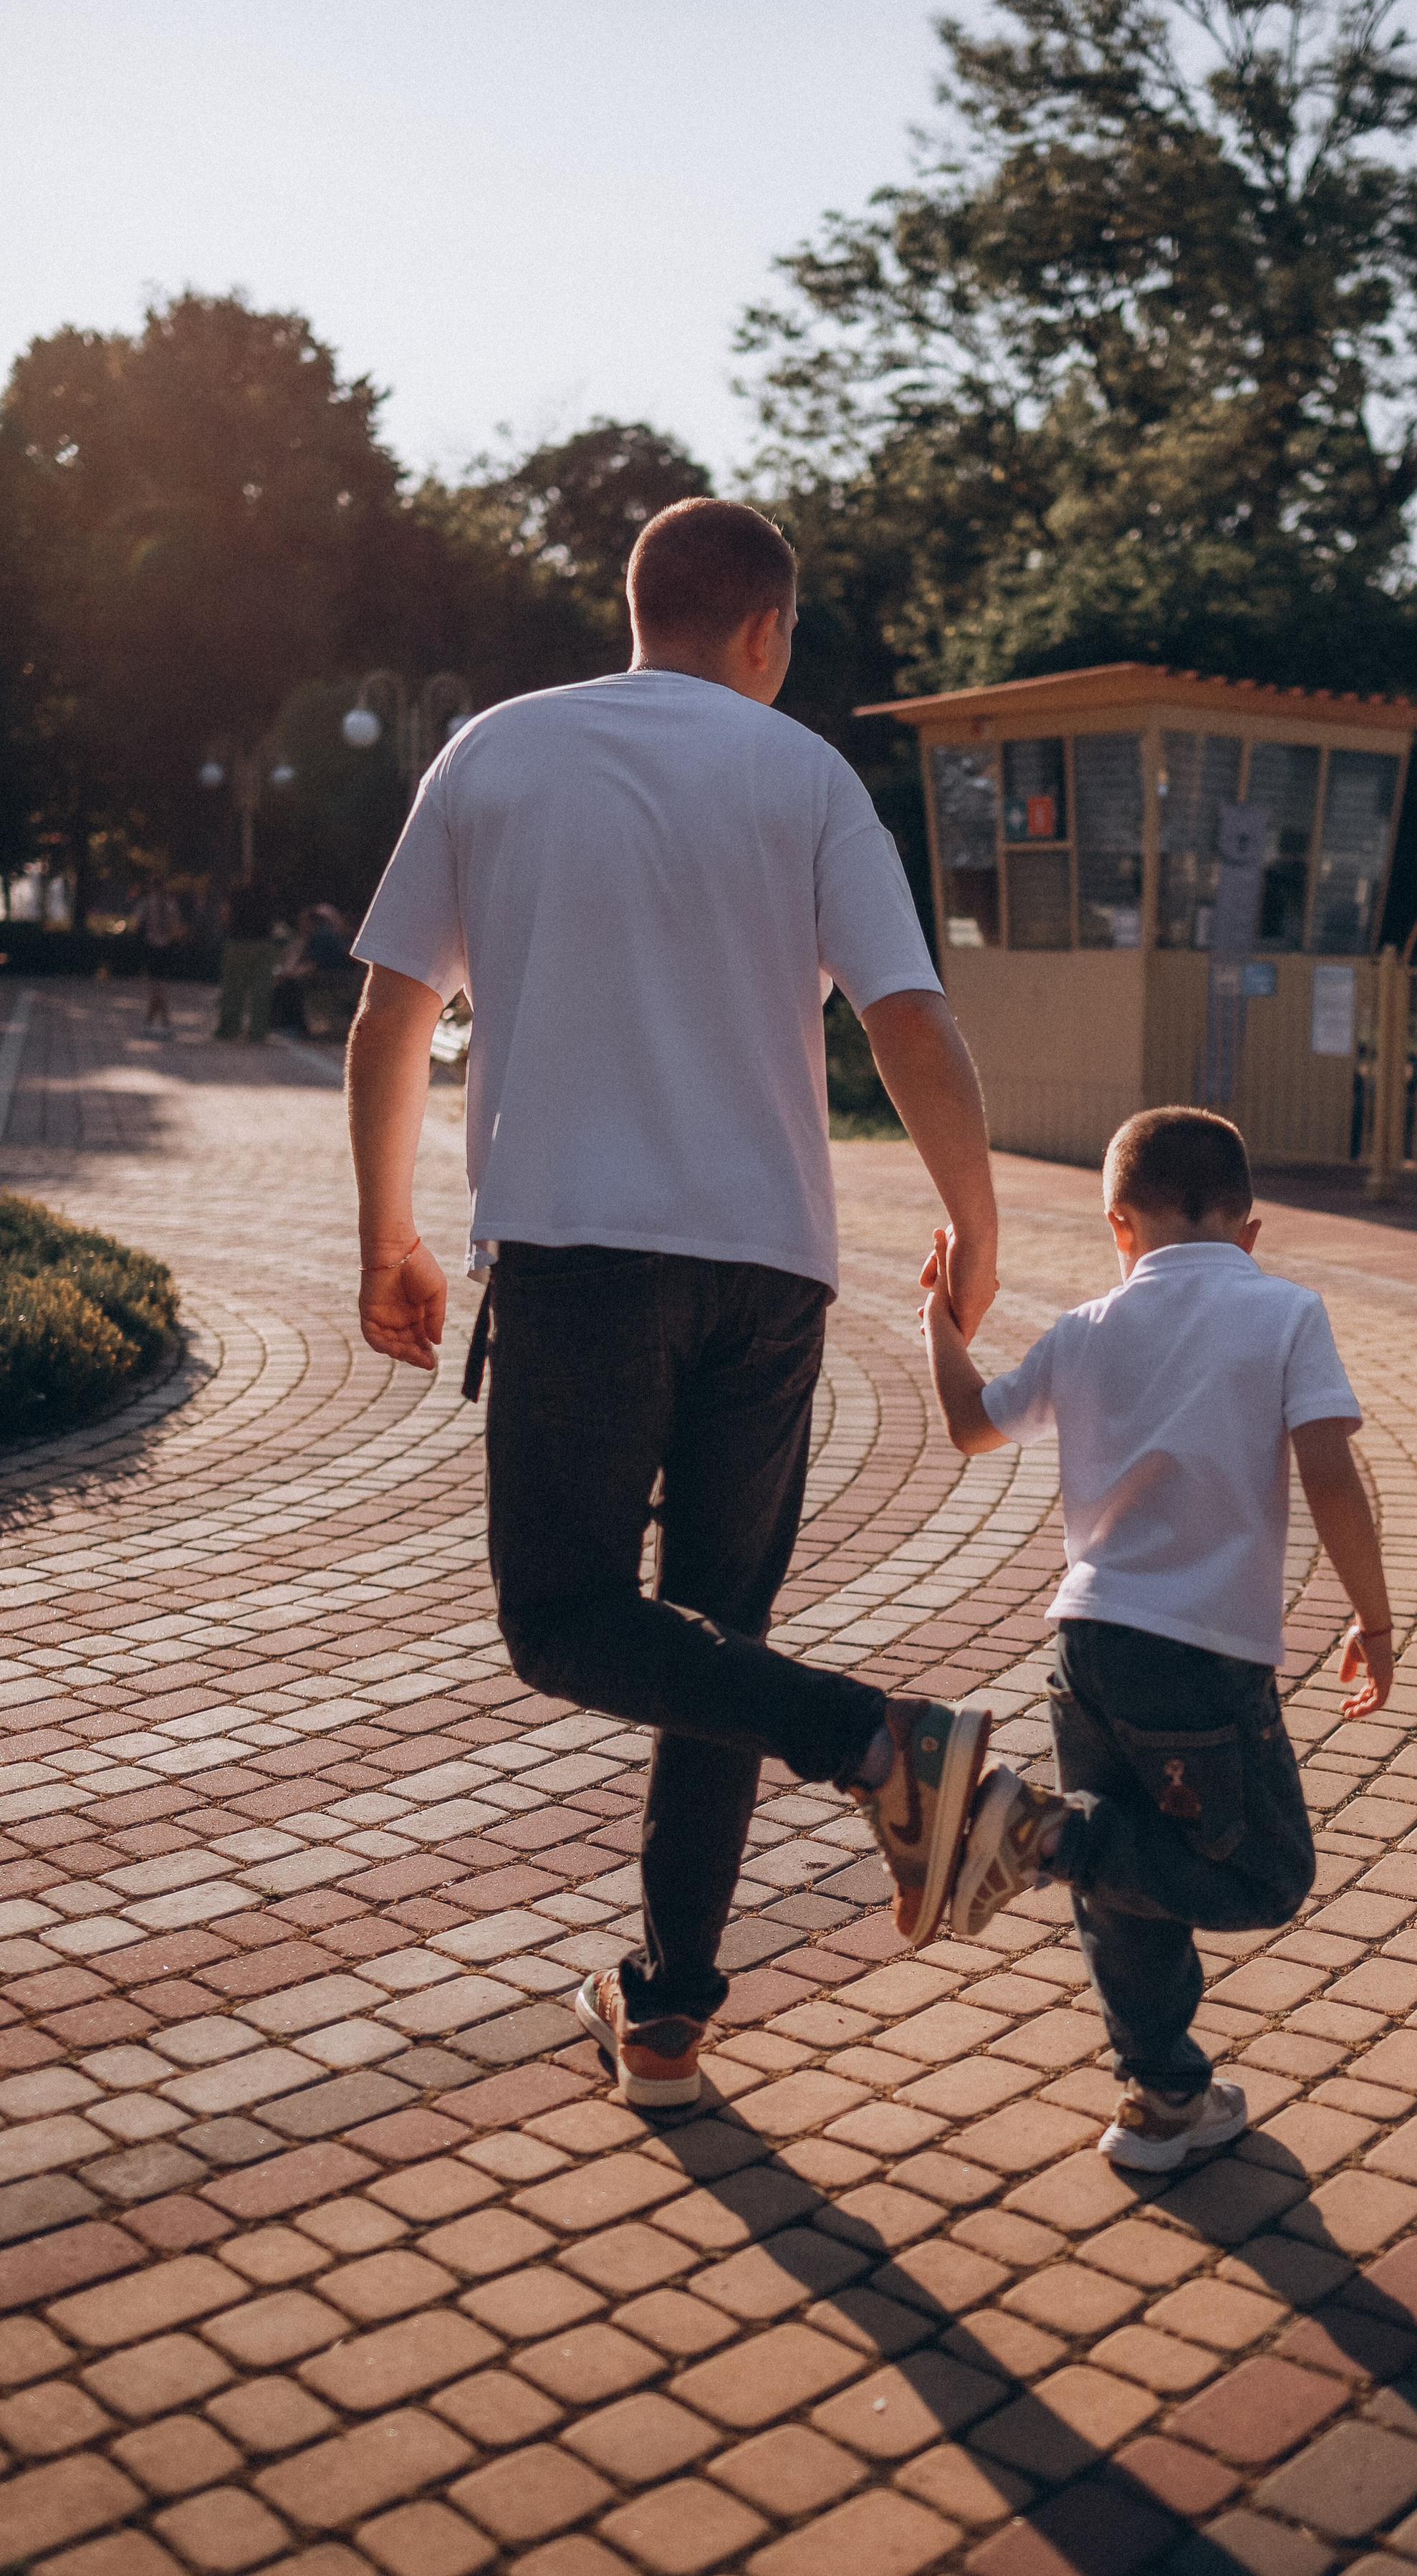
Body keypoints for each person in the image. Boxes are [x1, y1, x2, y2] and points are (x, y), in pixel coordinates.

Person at [345, 497, 1001, 2112]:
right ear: (767, 632)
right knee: (717, 1632)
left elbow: (391, 1008)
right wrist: (972, 1222)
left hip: (575, 1258)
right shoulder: (808, 776)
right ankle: (670, 2012)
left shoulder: (497, 751)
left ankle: (879, 1746)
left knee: (565, 1620)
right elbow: (905, 1017)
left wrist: (387, 1233)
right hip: (770, 1269)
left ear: (635, 604)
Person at [922, 1106, 1396, 2171]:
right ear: (1251, 1230)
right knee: (1263, 1874)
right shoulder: (1284, 1313)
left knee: (1122, 1873)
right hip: (1202, 1653)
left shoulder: (1085, 1327)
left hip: (1085, 1647)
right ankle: (1037, 1834)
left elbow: (968, 1424)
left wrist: (938, 1323)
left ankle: (1164, 2095)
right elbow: (1329, 1470)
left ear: (1117, 1225)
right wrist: (1373, 1617)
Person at [215, 878, 277, 1042]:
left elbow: (225, 913)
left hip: (238, 941)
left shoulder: (235, 893)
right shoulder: (267, 893)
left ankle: (229, 1028)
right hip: (262, 941)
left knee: (233, 988)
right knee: (261, 990)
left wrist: (230, 927)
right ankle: (258, 1031)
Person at [130, 876, 185, 1031]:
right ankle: (155, 1021)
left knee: (157, 987)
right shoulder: (171, 904)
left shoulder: (146, 903)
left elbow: (136, 926)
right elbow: (176, 929)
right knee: (159, 986)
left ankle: (160, 1022)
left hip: (151, 947)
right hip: (167, 948)